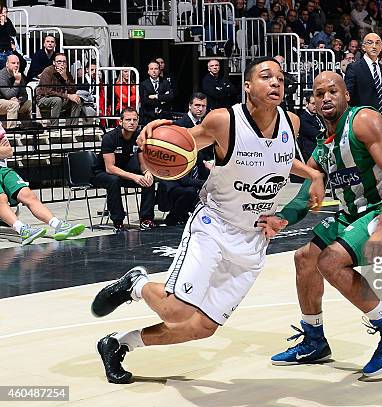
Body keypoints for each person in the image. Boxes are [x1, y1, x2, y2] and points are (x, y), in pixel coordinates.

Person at [90, 57, 325, 384]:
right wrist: (154, 133)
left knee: (201, 327)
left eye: (281, 79)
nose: (276, 83)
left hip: (253, 240)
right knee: (176, 311)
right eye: (266, 76)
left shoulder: (292, 123)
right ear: (246, 86)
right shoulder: (224, 121)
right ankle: (137, 284)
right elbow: (186, 141)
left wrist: (312, 172)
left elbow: (282, 160)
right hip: (214, 226)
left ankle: (118, 344)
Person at [264, 71, 382, 376]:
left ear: (346, 96)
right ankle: (314, 339)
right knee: (305, 258)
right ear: (313, 103)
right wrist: (281, 219)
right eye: (319, 94)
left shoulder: (363, 120)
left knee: (331, 262)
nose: (326, 97)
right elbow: (308, 193)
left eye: (333, 91)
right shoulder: (324, 145)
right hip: (358, 210)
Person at [0, 126, 85, 244]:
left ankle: (58, 225)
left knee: (28, 195)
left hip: (3, 169)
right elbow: (3, 151)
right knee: (1, 199)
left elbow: (8, 151)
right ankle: (22, 230)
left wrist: (3, 151)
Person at [90, 107, 156, 232]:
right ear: (121, 122)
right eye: (128, 120)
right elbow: (110, 168)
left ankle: (146, 219)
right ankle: (118, 221)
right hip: (101, 173)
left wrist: (147, 172)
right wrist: (134, 177)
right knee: (113, 180)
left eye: (135, 120)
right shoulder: (109, 138)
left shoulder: (139, 137)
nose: (132, 122)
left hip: (125, 173)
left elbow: (142, 164)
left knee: (148, 181)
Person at [157, 92, 211, 226]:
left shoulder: (206, 126)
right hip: (176, 176)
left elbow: (208, 150)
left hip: (197, 169)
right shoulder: (178, 126)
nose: (200, 108)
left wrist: (209, 162)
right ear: (190, 106)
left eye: (203, 106)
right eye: (197, 105)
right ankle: (175, 216)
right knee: (194, 189)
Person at [344, 33, 382, 117]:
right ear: (363, 47)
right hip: (362, 120)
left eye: (377, 43)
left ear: (381, 47)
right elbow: (347, 96)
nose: (374, 46)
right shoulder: (354, 68)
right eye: (370, 42)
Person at [35, 53, 82, 127]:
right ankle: (54, 128)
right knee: (57, 100)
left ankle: (73, 127)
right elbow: (47, 92)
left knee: (76, 99)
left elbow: (73, 91)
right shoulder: (48, 71)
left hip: (62, 98)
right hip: (43, 98)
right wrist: (67, 95)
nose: (62, 64)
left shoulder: (66, 73)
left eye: (64, 62)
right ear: (54, 63)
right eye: (59, 62)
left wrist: (65, 77)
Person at [0, 55, 32, 129]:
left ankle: (36, 128)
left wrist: (19, 100)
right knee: (13, 105)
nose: (16, 65)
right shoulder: (1, 75)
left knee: (31, 104)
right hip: (1, 102)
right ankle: (12, 131)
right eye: (13, 63)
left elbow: (25, 95)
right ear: (7, 64)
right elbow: (8, 95)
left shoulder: (19, 75)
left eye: (18, 63)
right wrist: (17, 81)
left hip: (15, 102)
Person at [139, 60, 174, 124]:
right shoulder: (143, 84)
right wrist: (162, 99)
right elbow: (145, 100)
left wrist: (156, 96)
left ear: (159, 71)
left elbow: (170, 97)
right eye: (151, 69)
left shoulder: (165, 82)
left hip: (164, 116)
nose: (154, 71)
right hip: (148, 117)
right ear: (148, 71)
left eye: (156, 69)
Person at [298, 93, 325, 161]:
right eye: (313, 103)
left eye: (317, 103)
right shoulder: (303, 119)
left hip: (323, 147)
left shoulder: (319, 115)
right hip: (312, 151)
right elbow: (316, 135)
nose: (315, 106)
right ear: (306, 104)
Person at [0, 5, 16, 70]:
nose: (4, 14)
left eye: (6, 12)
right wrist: (2, 25)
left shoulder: (8, 21)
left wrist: (12, 42)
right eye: (2, 12)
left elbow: (13, 33)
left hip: (8, 50)